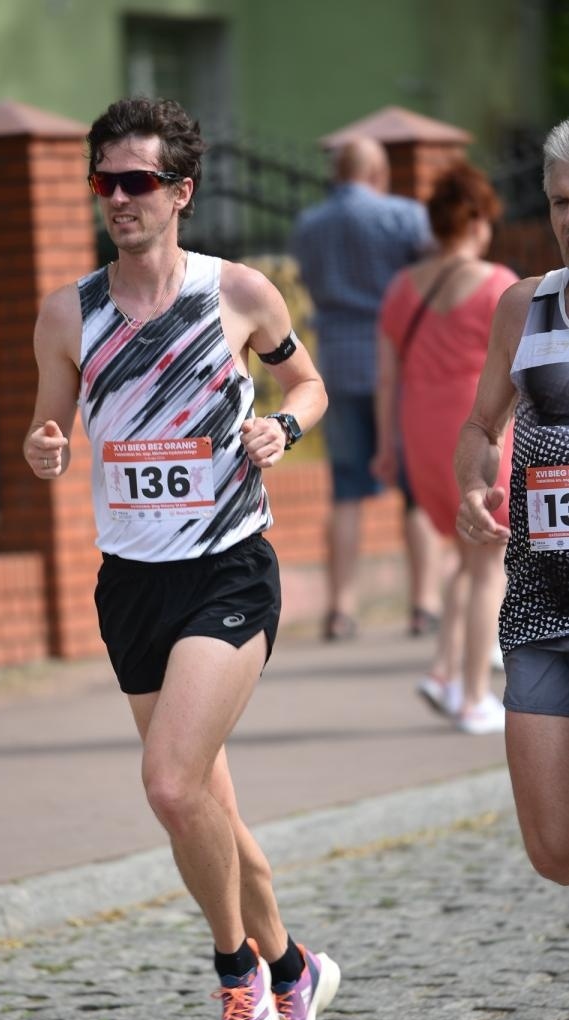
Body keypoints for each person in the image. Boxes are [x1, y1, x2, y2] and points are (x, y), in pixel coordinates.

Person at [23, 97, 340, 1020]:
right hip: (132, 586)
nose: (120, 198)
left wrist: (282, 431)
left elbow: (309, 387)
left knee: (169, 784)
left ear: (180, 193)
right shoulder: (68, 313)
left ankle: (236, 975)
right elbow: (49, 426)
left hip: (229, 572)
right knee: (208, 807)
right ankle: (296, 970)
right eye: (105, 182)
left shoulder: (239, 293)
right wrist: (45, 447)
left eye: (140, 182)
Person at [454, 118, 569, 872]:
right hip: (538, 604)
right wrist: (472, 484)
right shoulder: (521, 308)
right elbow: (480, 427)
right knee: (551, 848)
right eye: (561, 202)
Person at [374, 163, 518, 734]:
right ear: (479, 218)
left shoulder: (401, 287)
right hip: (479, 433)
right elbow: (516, 372)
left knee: (465, 554)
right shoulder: (498, 281)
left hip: (421, 432)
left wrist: (387, 446)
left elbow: (386, 376)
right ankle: (474, 698)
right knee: (489, 563)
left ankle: (442, 671)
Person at [289, 136, 442, 641]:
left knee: (346, 489)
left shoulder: (309, 226)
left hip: (336, 358)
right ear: (378, 173)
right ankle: (423, 604)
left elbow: (307, 280)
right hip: (398, 361)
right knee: (417, 490)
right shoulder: (406, 217)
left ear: (338, 174)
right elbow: (432, 277)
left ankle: (341, 610)